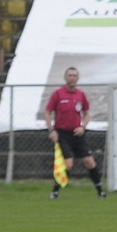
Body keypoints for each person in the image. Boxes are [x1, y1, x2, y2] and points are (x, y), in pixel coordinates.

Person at [45, 67, 105, 199]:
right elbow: (48, 112)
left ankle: (100, 191)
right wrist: (51, 130)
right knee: (68, 164)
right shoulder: (58, 94)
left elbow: (87, 113)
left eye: (74, 75)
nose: (72, 78)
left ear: (77, 78)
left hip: (77, 133)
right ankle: (55, 191)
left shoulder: (80, 95)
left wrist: (82, 126)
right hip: (62, 133)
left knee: (89, 161)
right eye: (70, 75)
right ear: (65, 78)